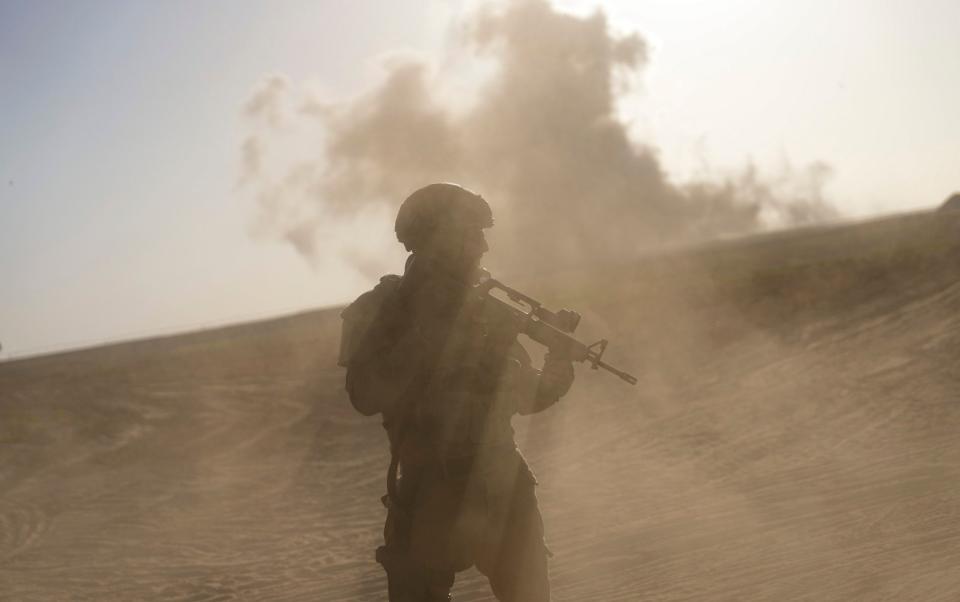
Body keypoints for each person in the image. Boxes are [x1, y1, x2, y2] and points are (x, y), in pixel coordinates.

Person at [338, 182, 575, 602]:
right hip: (427, 493)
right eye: (472, 233)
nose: (483, 246)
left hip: (501, 485)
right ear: (437, 238)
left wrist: (559, 355)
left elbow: (529, 396)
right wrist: (427, 337)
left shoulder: (487, 311)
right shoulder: (381, 310)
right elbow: (364, 395)